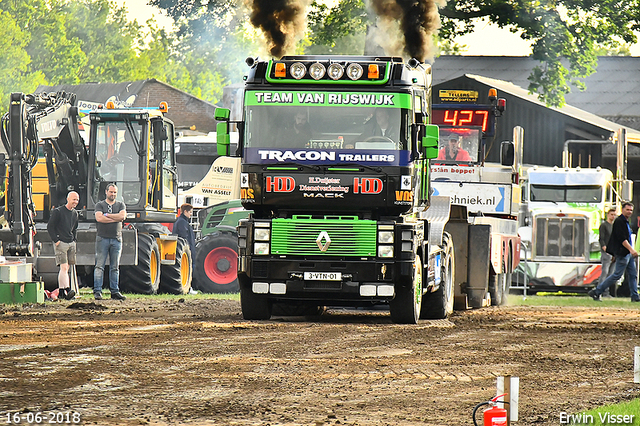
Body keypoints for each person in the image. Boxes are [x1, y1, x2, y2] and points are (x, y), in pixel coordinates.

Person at [589, 202, 640, 302]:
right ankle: (597, 291)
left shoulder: (625, 221)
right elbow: (622, 239)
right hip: (623, 253)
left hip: (627, 254)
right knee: (616, 275)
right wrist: (631, 250)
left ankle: (635, 296)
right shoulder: (619, 221)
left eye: (631, 210)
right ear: (622, 210)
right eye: (627, 209)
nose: (629, 212)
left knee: (633, 274)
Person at [94, 183, 127, 301]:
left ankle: (115, 291)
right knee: (99, 266)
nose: (113, 194)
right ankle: (97, 291)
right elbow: (99, 218)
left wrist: (107, 215)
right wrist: (115, 218)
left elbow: (122, 217)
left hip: (117, 239)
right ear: (106, 192)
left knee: (115, 267)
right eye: (111, 192)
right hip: (102, 238)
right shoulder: (100, 205)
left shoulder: (120, 204)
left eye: (115, 192)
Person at [46, 191, 80, 300]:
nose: (75, 202)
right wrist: (56, 240)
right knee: (64, 266)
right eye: (74, 199)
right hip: (61, 243)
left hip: (71, 243)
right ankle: (68, 290)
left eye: (77, 200)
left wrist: (74, 240)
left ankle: (61, 291)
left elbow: (74, 228)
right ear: (68, 199)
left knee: (67, 267)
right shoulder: (58, 212)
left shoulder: (75, 214)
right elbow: (50, 227)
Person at [598, 208, 617, 297]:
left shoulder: (614, 226)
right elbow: (601, 239)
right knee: (604, 272)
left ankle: (606, 292)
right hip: (606, 252)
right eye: (611, 215)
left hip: (614, 252)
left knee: (611, 273)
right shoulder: (604, 225)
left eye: (614, 215)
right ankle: (600, 290)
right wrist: (605, 249)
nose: (613, 216)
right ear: (607, 215)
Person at [172, 203, 196, 268]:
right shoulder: (182, 222)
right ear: (185, 211)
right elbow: (184, 237)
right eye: (190, 212)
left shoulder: (181, 221)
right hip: (186, 250)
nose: (191, 214)